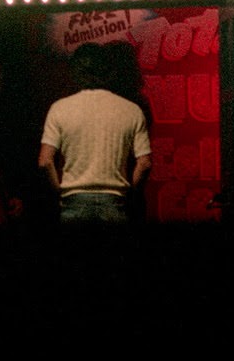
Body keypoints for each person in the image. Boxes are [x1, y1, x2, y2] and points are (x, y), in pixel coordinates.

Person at [37, 41, 152, 226]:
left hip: (73, 202)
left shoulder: (59, 109)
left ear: (75, 72)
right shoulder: (132, 110)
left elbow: (44, 161)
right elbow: (144, 163)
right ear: (109, 72)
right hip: (115, 203)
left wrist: (59, 191)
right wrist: (131, 192)